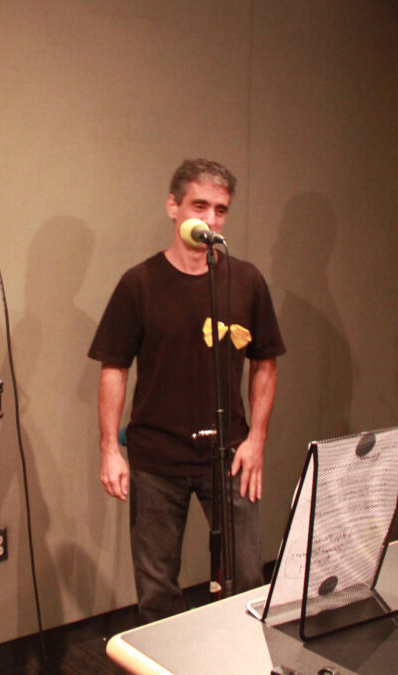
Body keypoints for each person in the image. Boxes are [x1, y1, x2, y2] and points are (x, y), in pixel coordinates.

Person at [89, 159, 285, 623]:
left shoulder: (246, 281)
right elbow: (114, 368)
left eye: (221, 210)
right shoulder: (139, 284)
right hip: (157, 461)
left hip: (230, 456)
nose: (211, 220)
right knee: (157, 590)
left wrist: (256, 440)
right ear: (173, 207)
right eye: (201, 206)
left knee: (244, 579)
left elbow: (265, 364)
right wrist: (109, 450)